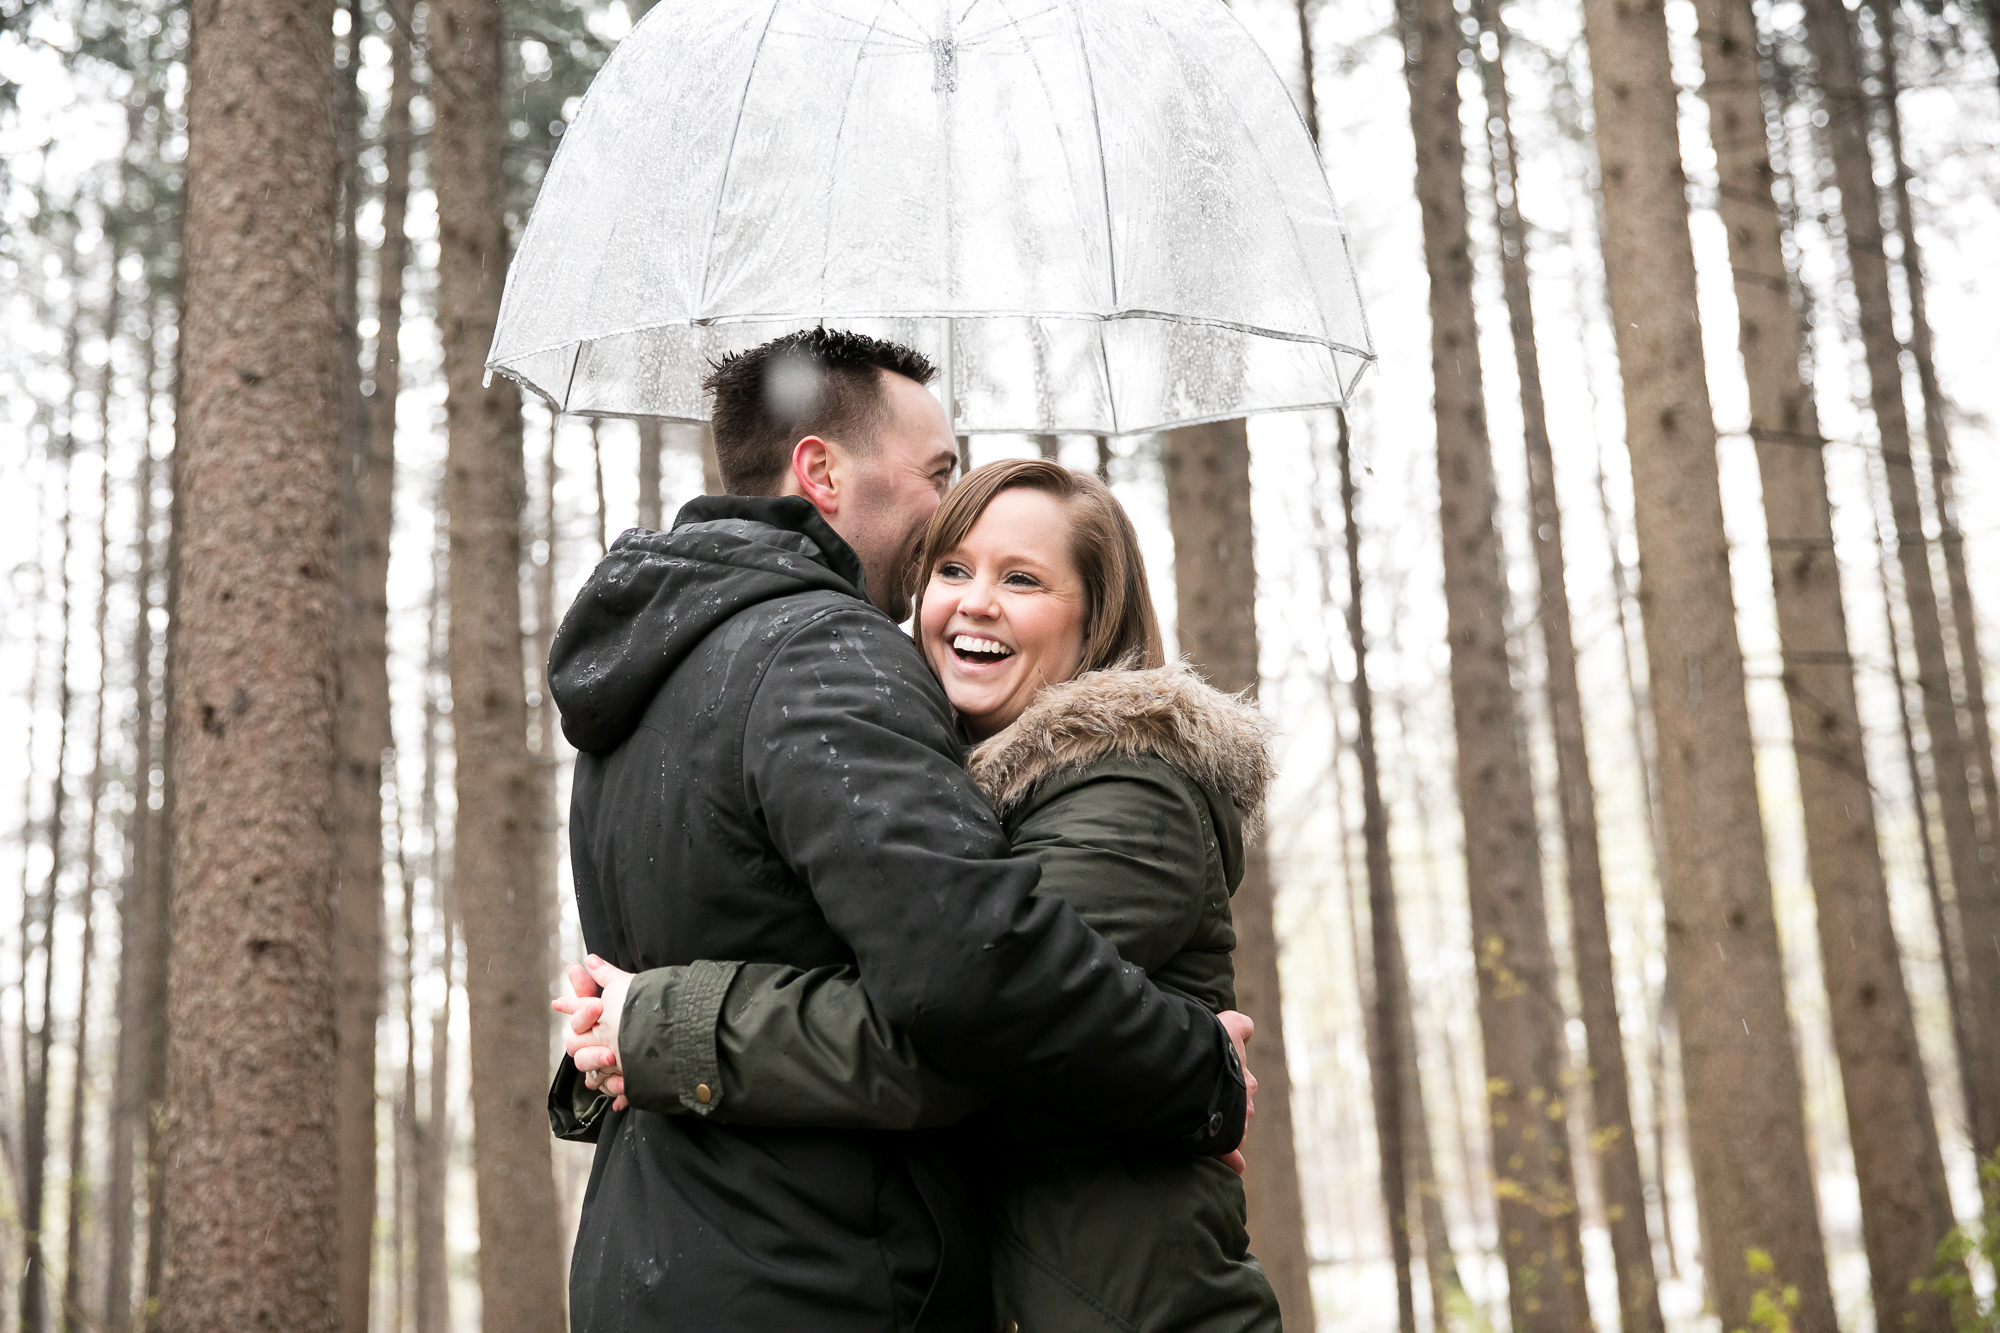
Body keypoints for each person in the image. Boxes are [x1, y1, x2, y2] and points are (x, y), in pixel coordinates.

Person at [544, 329, 1250, 1332]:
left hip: (660, 1255)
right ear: (820, 469)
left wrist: (638, 1028)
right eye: (935, 477)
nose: (940, 533)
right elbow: (972, 987)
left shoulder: (656, 671)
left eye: (1020, 578)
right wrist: (1196, 1072)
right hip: (811, 1270)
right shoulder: (825, 655)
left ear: (1095, 617)